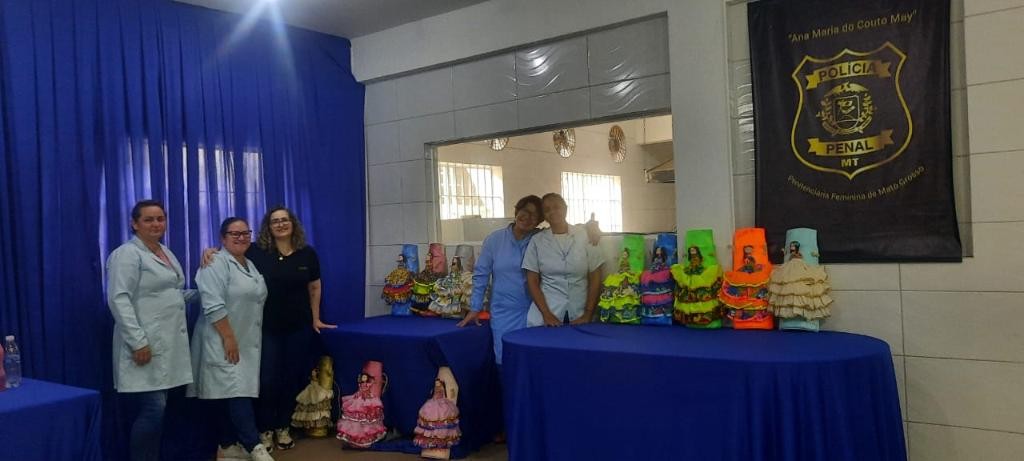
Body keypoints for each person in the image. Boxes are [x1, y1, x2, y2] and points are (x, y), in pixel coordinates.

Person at [204, 206, 333, 451]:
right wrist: (210, 251)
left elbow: (314, 287)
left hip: (298, 327)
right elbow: (230, 252)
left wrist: (316, 318)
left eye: (285, 220)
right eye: (275, 221)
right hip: (266, 328)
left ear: (293, 223)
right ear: (268, 227)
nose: (281, 224)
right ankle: (264, 429)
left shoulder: (307, 253)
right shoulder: (257, 251)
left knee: (291, 378)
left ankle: (283, 426)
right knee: (267, 380)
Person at [106, 200, 196, 461]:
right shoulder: (127, 254)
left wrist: (203, 292)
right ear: (135, 224)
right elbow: (118, 299)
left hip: (167, 344)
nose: (156, 224)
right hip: (144, 344)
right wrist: (138, 342)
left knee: (160, 410)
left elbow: (170, 293)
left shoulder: (164, 251)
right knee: (152, 411)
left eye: (160, 219)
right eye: (148, 219)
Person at [189, 218, 273, 461]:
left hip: (244, 339)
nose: (241, 237)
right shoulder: (214, 263)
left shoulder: (249, 264)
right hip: (221, 338)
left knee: (230, 393)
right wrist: (228, 338)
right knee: (236, 393)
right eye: (234, 234)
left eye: (245, 233)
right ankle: (254, 446)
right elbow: (212, 304)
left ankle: (227, 446)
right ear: (222, 238)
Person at [457, 195, 544, 365]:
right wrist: (475, 307)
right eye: (525, 211)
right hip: (503, 313)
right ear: (517, 211)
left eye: (534, 215)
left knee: (530, 362)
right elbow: (481, 275)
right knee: (505, 361)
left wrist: (592, 229)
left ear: (539, 221)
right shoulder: (495, 240)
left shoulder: (541, 239)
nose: (527, 217)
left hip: (534, 313)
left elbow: (564, 231)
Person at [522, 193, 604, 327]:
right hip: (547, 312)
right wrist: (546, 314)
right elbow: (532, 280)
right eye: (547, 210)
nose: (553, 212)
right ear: (544, 215)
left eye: (557, 207)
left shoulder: (585, 235)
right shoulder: (537, 241)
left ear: (565, 208)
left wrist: (588, 313)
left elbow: (595, 276)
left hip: (580, 310)